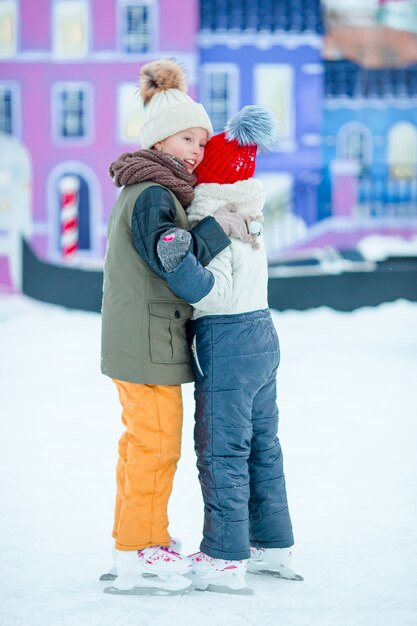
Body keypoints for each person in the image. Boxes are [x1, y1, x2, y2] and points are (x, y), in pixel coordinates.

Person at [100, 59, 253, 596]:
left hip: (143, 339)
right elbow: (174, 256)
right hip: (148, 343)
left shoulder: (152, 192)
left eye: (201, 140)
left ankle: (130, 543)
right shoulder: (153, 196)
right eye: (188, 138)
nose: (196, 149)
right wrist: (217, 228)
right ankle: (143, 548)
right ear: (160, 140)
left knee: (140, 444)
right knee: (156, 446)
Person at [157, 106, 303, 594]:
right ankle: (272, 545)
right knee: (264, 446)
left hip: (227, 338)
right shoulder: (251, 217)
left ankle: (223, 556)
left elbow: (211, 292)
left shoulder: (215, 221)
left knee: (222, 450)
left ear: (210, 178)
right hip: (263, 335)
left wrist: (179, 262)